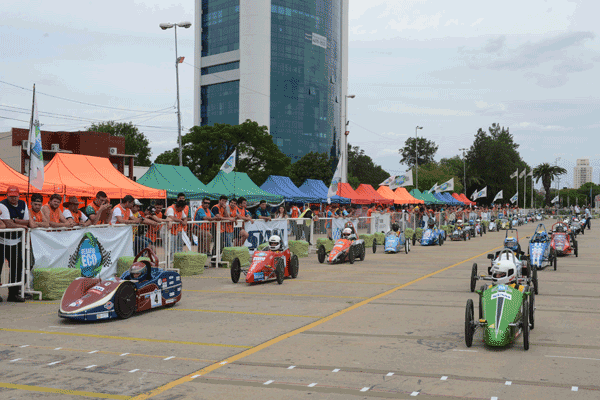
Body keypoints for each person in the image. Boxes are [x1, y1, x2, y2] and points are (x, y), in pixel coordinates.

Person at [0, 186, 30, 302]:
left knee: (17, 267)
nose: (13, 198)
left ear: (19, 195)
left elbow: (28, 221)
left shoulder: (23, 204)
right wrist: (21, 225)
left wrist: (15, 221)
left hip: (16, 241)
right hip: (2, 241)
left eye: (15, 196)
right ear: (7, 195)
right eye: (11, 196)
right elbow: (7, 224)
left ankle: (13, 294)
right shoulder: (2, 204)